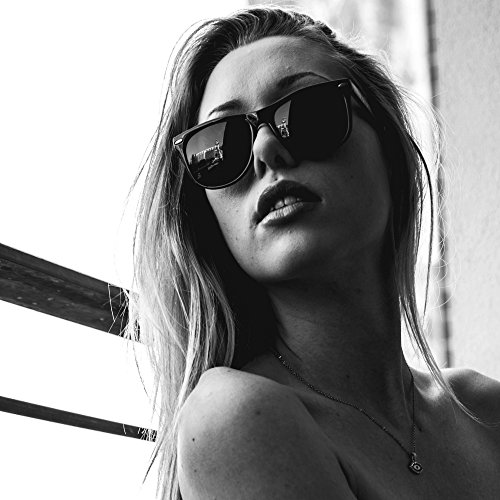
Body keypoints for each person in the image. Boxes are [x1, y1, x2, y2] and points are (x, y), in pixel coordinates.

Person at [126, 6, 500, 499]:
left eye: (308, 112)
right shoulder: (234, 413)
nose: (265, 150)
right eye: (220, 146)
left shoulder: (485, 409)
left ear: (389, 150)